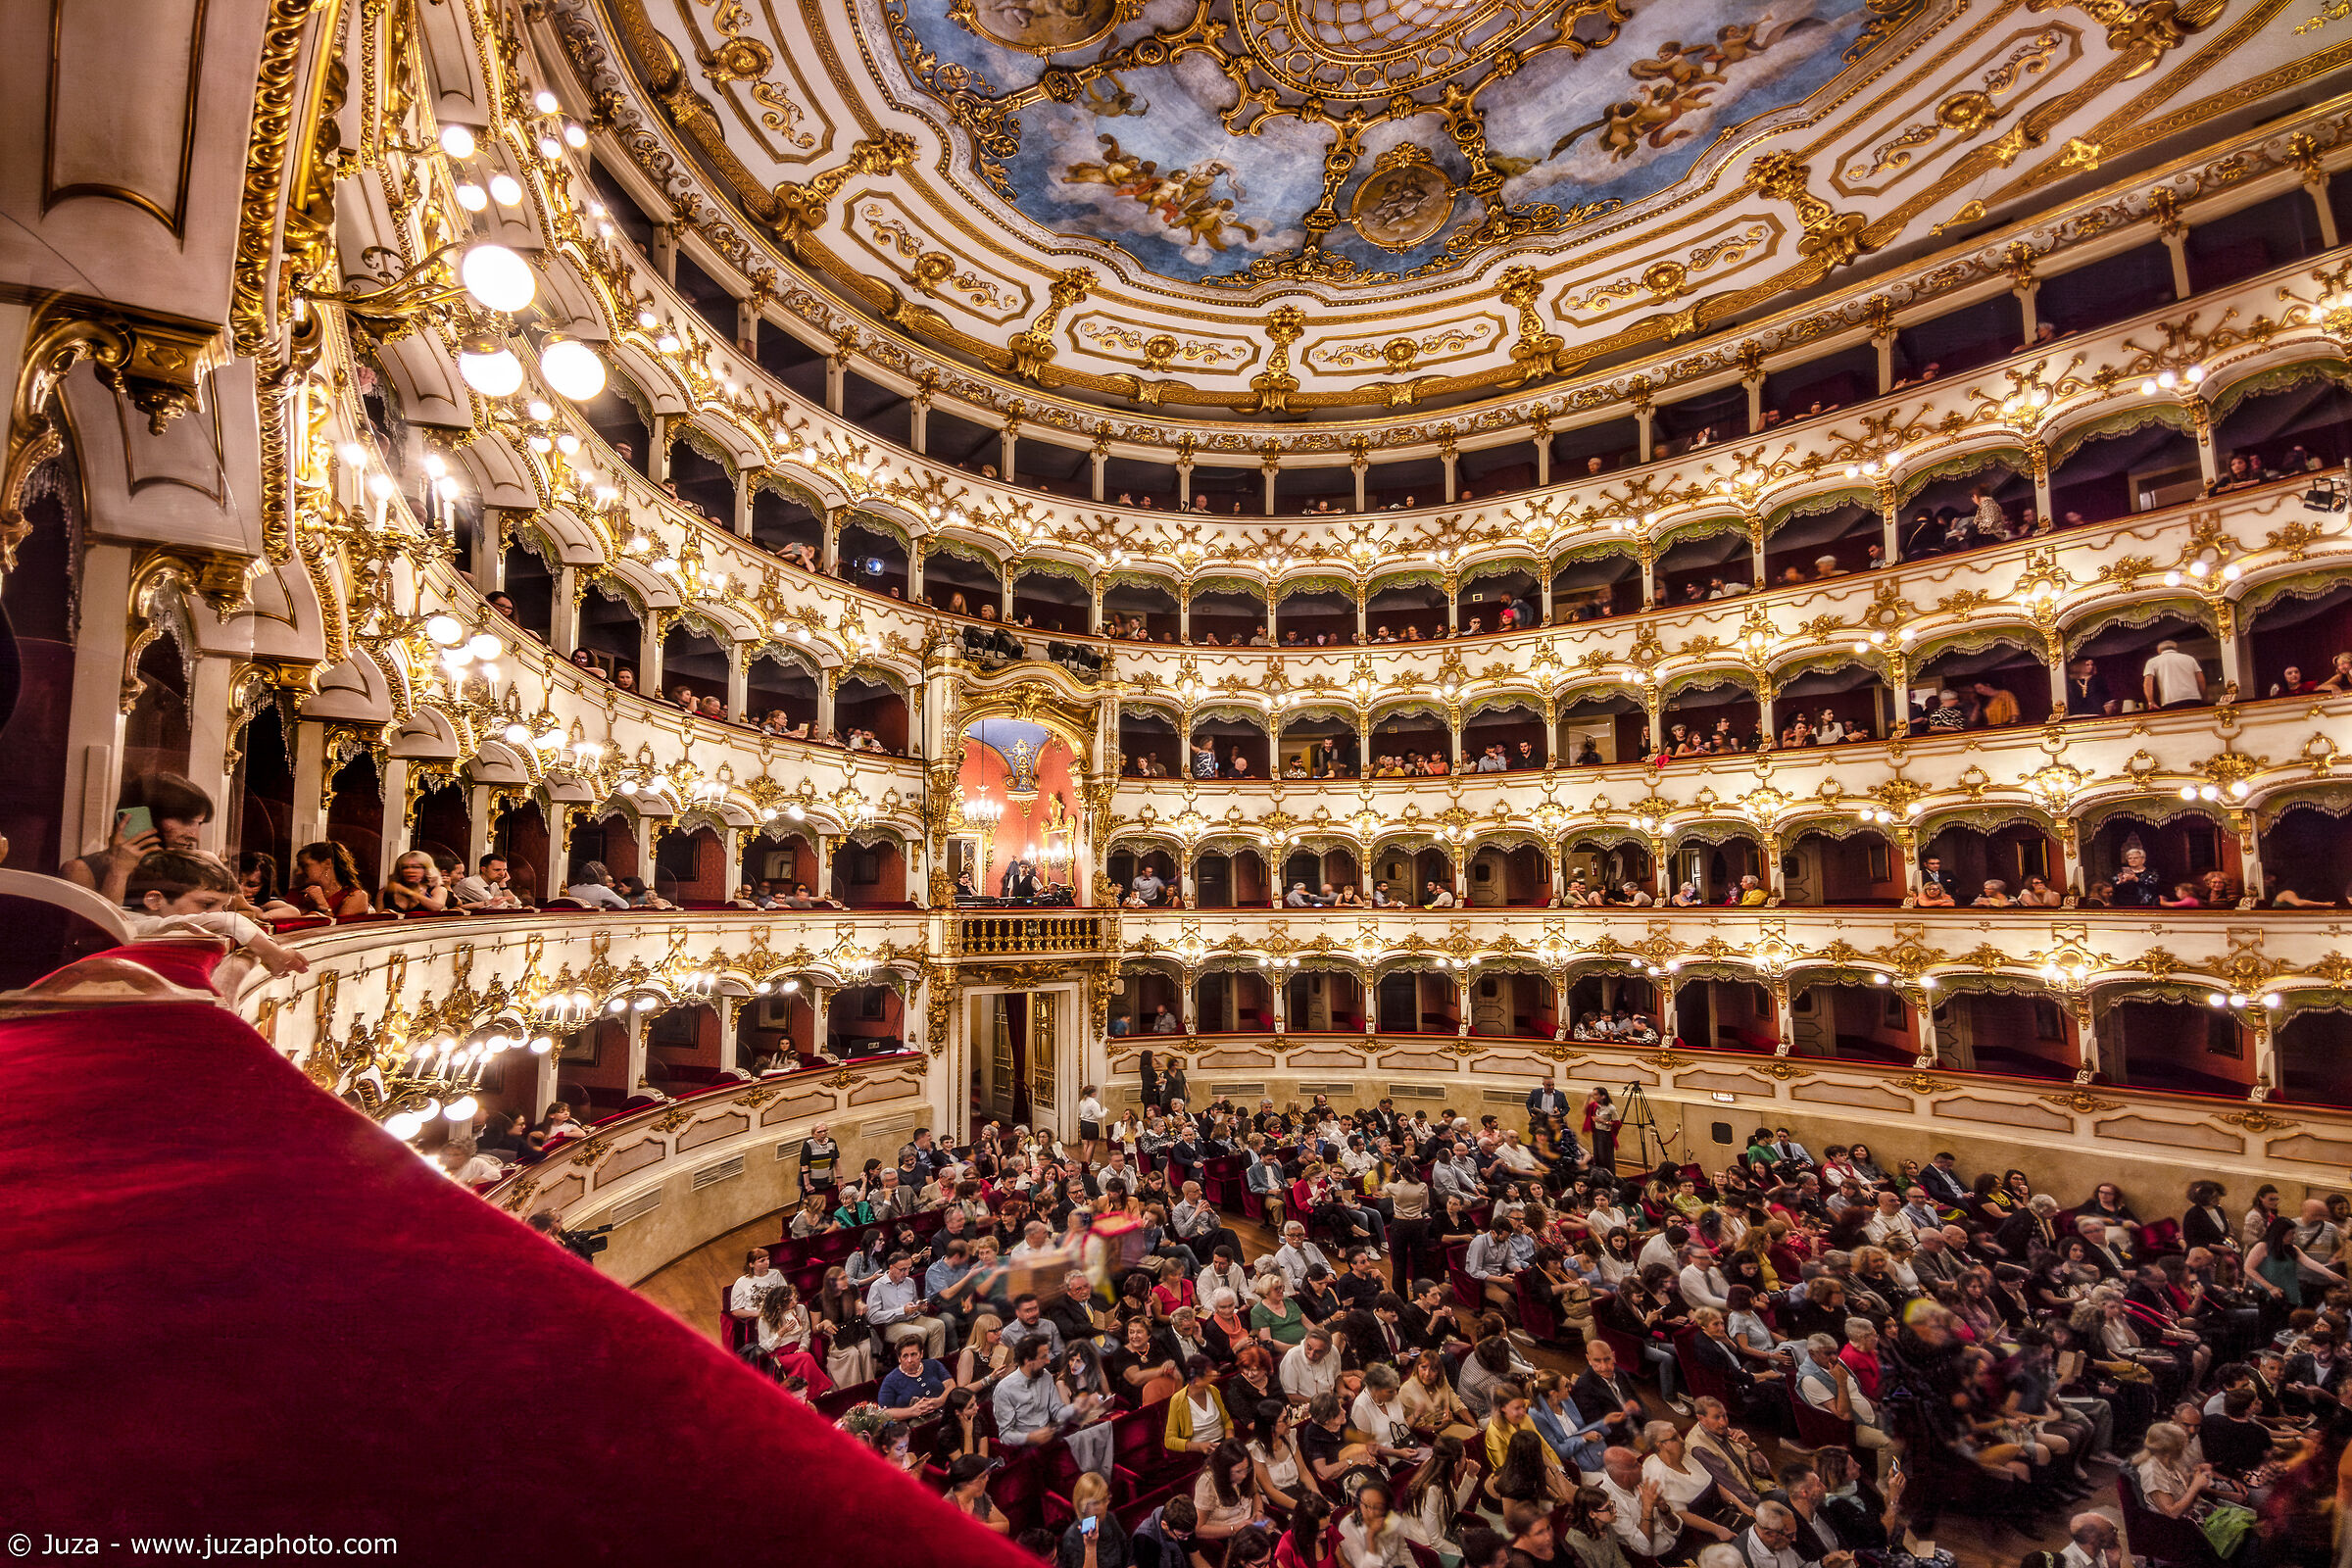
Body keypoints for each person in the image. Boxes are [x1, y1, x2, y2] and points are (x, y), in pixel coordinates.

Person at [122, 852, 310, 975]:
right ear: (155, 901)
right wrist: (275, 954)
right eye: (207, 903)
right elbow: (225, 921)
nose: (216, 913)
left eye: (223, 907)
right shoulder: (133, 923)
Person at [63, 771, 216, 906]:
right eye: (185, 820)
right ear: (142, 817)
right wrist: (119, 871)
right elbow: (98, 934)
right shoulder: (80, 871)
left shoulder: (189, 868)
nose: (195, 836)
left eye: (199, 824)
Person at [291, 841, 372, 918]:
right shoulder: (296, 893)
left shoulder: (355, 896)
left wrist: (322, 905)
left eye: (304, 865)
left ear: (327, 863)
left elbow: (339, 930)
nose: (298, 872)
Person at [450, 852, 527, 909]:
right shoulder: (469, 883)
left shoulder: (495, 883)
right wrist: (510, 906)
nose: (502, 874)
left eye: (504, 870)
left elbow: (517, 904)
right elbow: (497, 906)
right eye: (497, 870)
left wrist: (503, 886)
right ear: (483, 869)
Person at [2142, 640, 2207, 709]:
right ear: (2176, 649)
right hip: (2193, 699)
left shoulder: (2152, 661)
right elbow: (2201, 680)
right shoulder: (2190, 659)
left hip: (2170, 701)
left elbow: (2148, 684)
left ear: (2158, 650)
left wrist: (2151, 702)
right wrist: (2202, 696)